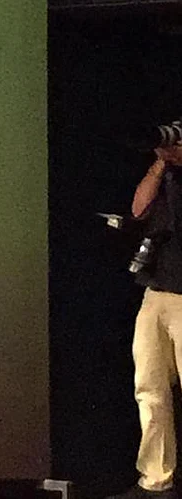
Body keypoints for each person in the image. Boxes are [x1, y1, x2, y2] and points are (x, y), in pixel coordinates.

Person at [111, 143, 182, 499]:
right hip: (156, 293)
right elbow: (138, 207)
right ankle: (156, 481)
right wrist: (159, 165)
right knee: (149, 390)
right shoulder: (166, 175)